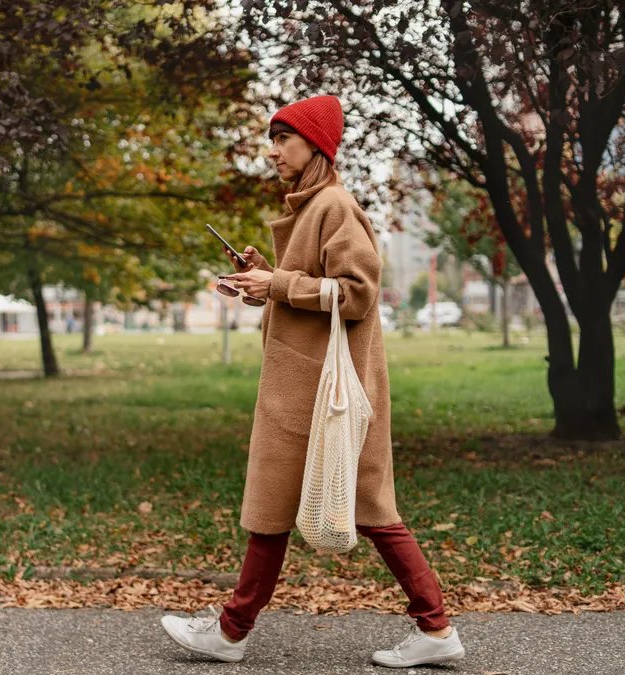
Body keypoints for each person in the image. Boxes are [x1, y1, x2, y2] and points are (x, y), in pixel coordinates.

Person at [160, 95, 465, 668]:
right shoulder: (312, 207)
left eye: (283, 139)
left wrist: (277, 284)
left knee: (368, 510)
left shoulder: (334, 205)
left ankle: (433, 628)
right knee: (278, 509)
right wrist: (264, 276)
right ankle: (234, 630)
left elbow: (357, 294)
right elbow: (312, 285)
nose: (272, 152)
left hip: (329, 390)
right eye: (272, 140)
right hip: (306, 385)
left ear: (315, 145)